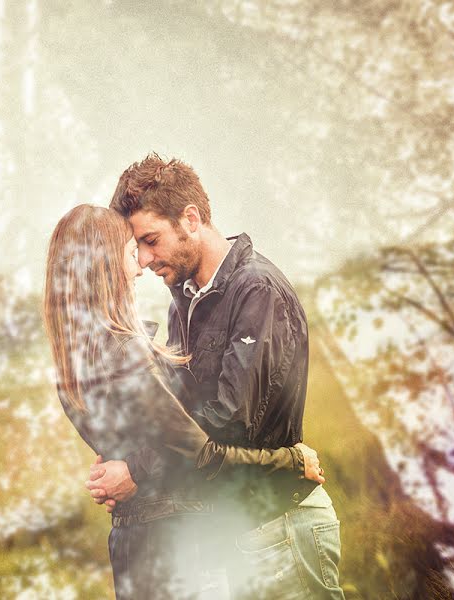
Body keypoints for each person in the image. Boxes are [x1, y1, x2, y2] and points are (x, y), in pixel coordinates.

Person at [86, 155, 345, 599]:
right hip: (234, 535)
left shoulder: (257, 291)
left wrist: (136, 470)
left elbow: (230, 420)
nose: (145, 260)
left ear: (191, 219)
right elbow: (178, 413)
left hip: (283, 526)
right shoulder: (182, 300)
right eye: (138, 246)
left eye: (151, 240)